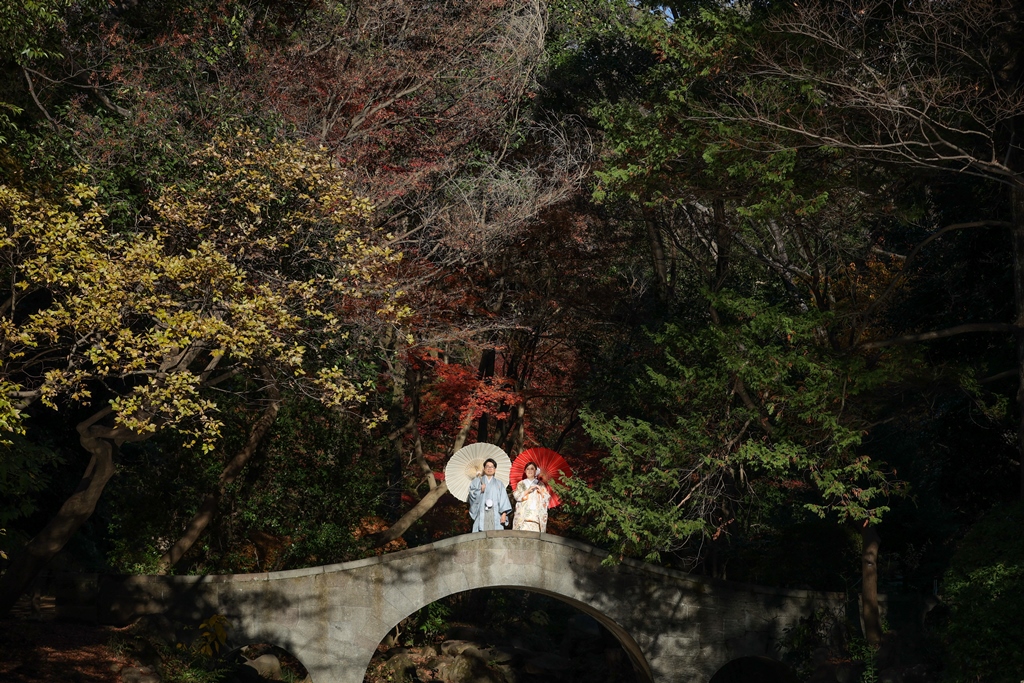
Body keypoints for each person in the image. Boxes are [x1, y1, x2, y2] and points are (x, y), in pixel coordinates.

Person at [467, 458, 511, 532]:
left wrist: (503, 515)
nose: (490, 468)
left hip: (495, 514)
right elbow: (471, 496)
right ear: (484, 469)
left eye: (492, 467)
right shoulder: (477, 481)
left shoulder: (499, 483)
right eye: (487, 466)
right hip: (482, 513)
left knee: (496, 536)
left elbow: (504, 500)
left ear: (495, 469)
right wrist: (480, 490)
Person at [512, 462, 551, 532]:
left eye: (532, 469)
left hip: (536, 516)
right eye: (527, 469)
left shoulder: (540, 484)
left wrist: (541, 492)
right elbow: (517, 496)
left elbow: (547, 499)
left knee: (534, 539)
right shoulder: (521, 484)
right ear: (525, 471)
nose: (530, 471)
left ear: (535, 471)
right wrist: (527, 491)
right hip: (522, 516)